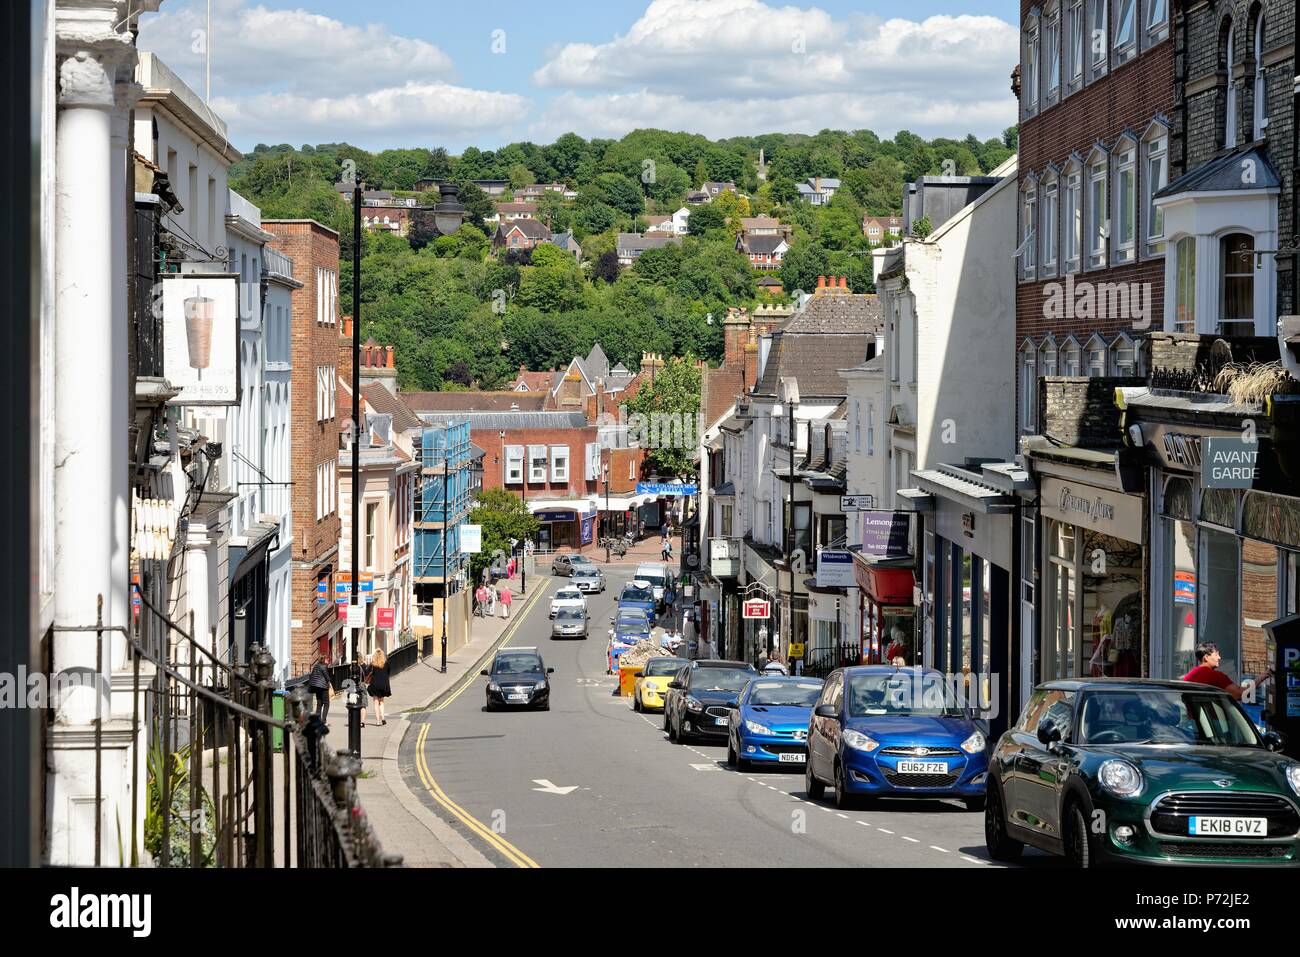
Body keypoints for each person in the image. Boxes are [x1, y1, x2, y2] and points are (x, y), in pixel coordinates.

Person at [1181, 642, 1245, 700]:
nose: (1219, 657)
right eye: (1216, 654)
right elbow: (1238, 694)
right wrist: (1254, 683)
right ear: (1206, 657)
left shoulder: (1189, 676)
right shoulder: (1215, 676)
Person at [368, 648, 392, 726]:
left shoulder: (373, 663)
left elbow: (367, 672)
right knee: (381, 701)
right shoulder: (386, 663)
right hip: (383, 684)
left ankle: (378, 721)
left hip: (375, 684)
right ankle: (383, 718)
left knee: (376, 703)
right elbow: (388, 672)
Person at [307, 654, 332, 723]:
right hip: (323, 687)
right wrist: (330, 683)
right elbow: (327, 677)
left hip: (316, 687)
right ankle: (323, 720)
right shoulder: (324, 666)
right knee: (326, 703)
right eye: (327, 659)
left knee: (319, 703)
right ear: (324, 659)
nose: (328, 660)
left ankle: (317, 720)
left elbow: (312, 676)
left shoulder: (316, 666)